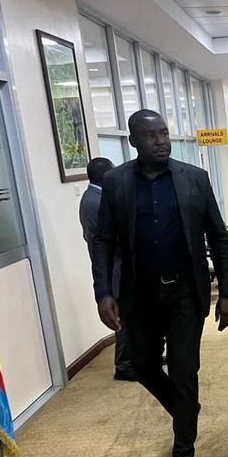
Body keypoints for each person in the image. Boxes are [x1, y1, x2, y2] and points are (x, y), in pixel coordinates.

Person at [91, 109, 228, 457]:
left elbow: (218, 236)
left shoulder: (194, 178)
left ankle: (183, 453)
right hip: (139, 294)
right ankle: (186, 408)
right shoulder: (117, 182)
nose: (161, 141)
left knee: (185, 371)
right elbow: (103, 240)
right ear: (133, 141)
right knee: (143, 366)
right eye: (150, 135)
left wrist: (227, 291)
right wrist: (103, 292)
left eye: (164, 133)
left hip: (185, 292)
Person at [80, 157, 136, 380]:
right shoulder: (95, 202)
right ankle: (124, 365)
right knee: (123, 318)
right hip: (115, 268)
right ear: (105, 176)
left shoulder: (93, 197)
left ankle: (137, 358)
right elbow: (104, 240)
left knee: (130, 316)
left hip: (117, 266)